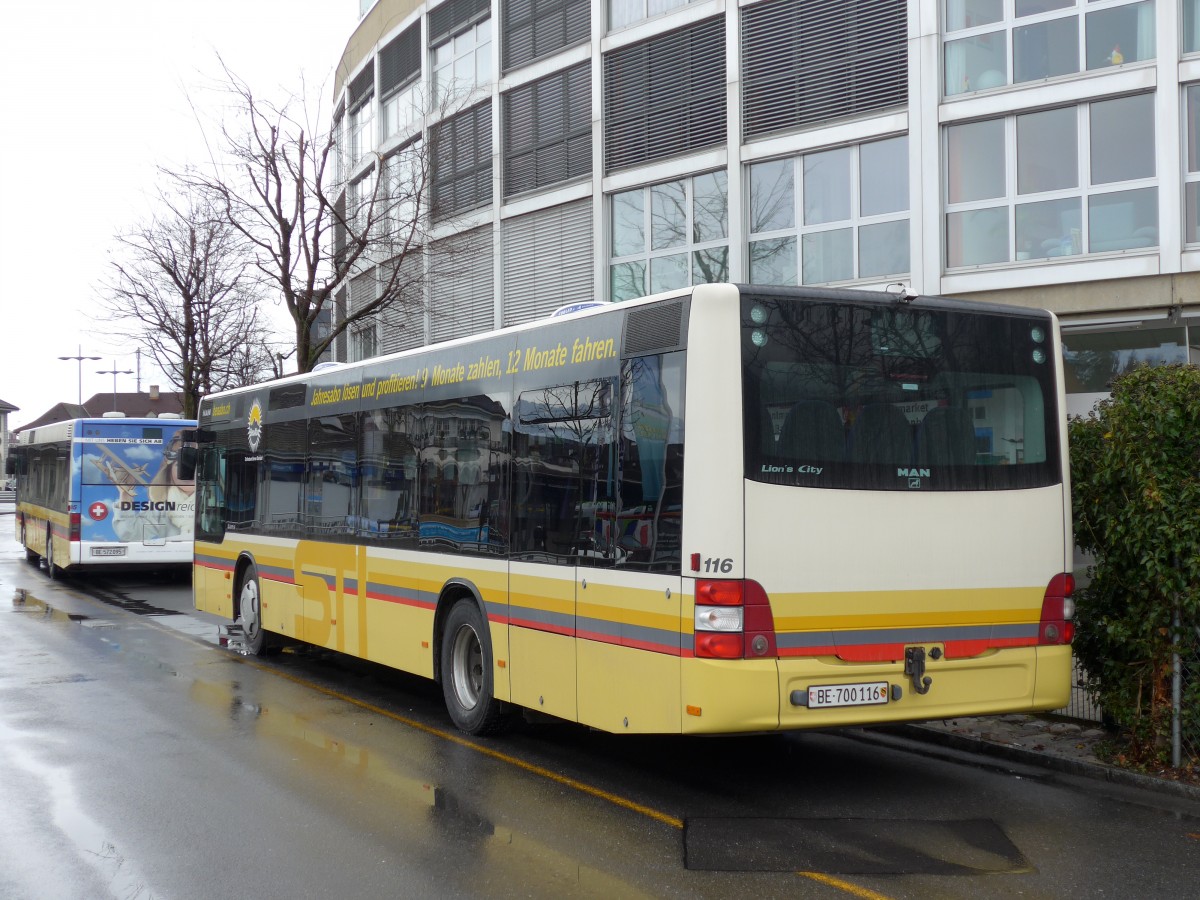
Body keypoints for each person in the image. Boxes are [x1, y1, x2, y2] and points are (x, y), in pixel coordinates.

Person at [109, 432, 196, 542]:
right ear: (169, 471)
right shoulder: (160, 505)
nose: (188, 473)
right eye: (180, 467)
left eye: (195, 467)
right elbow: (132, 535)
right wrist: (125, 496)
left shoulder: (214, 500)